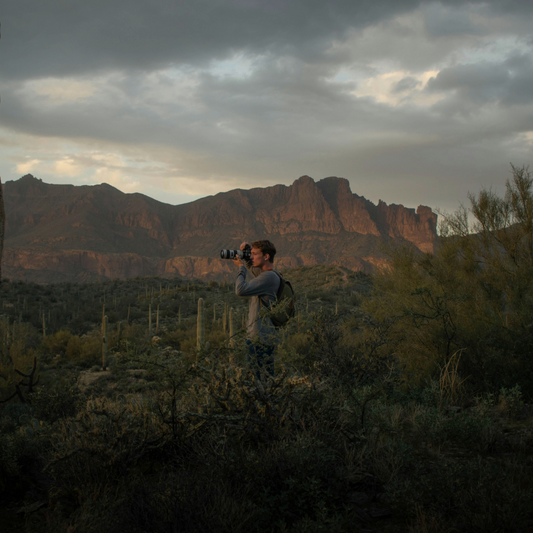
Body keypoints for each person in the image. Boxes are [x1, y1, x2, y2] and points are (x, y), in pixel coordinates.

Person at [233, 240, 280, 378]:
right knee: (265, 380)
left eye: (255, 254)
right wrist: (247, 255)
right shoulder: (271, 275)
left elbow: (240, 290)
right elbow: (255, 271)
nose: (251, 257)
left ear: (266, 256)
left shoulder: (268, 278)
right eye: (251, 254)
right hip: (265, 337)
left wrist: (241, 268)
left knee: (258, 382)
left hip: (259, 339)